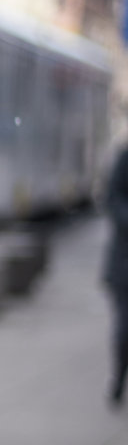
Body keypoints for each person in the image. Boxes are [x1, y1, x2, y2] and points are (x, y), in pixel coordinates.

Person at [104, 139, 128, 409]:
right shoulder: (125, 158)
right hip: (124, 263)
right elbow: (112, 199)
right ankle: (119, 379)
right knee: (124, 330)